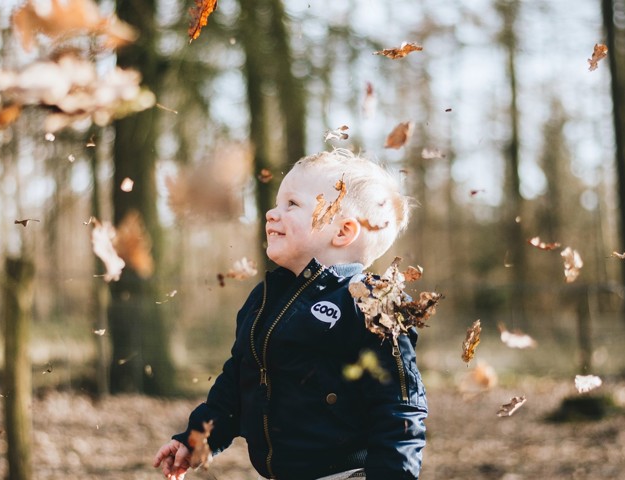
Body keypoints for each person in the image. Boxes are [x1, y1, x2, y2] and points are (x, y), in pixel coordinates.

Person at [153, 149, 428, 480]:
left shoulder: (372, 302)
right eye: (277, 203)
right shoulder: (265, 298)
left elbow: (400, 405)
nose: (271, 213)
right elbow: (237, 384)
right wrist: (197, 439)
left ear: (342, 232)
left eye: (292, 205)